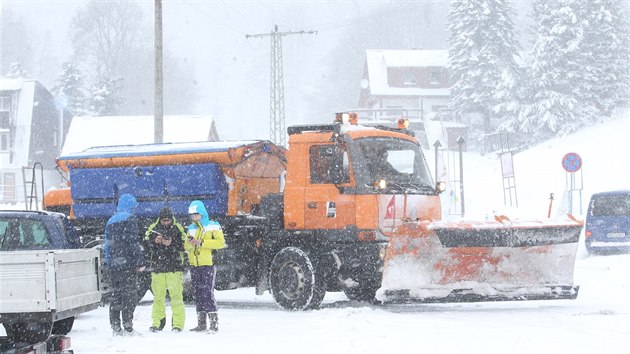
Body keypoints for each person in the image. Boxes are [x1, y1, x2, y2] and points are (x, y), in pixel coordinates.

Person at [104, 193, 145, 336]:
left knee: (116, 295)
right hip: (127, 264)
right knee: (130, 295)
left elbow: (107, 245)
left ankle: (116, 327)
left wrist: (109, 261)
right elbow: (133, 242)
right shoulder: (130, 219)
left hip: (114, 265)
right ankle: (128, 326)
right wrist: (139, 260)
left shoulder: (110, 220)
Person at [144, 207, 187, 333]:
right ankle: (157, 323)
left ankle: (178, 324)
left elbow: (185, 245)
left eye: (168, 220)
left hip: (174, 267)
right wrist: (154, 241)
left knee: (176, 297)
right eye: (163, 221)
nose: (165, 223)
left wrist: (172, 243)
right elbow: (145, 245)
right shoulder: (153, 228)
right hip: (157, 268)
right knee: (158, 297)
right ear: (160, 219)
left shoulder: (178, 228)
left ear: (171, 219)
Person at [185, 200, 225, 333]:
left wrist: (202, 242)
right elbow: (186, 247)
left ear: (202, 213)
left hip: (207, 264)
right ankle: (201, 323)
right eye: (191, 215)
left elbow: (220, 243)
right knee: (197, 293)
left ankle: (214, 324)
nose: (194, 217)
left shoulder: (213, 226)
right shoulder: (191, 228)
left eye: (196, 215)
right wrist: (190, 243)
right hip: (194, 265)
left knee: (207, 292)